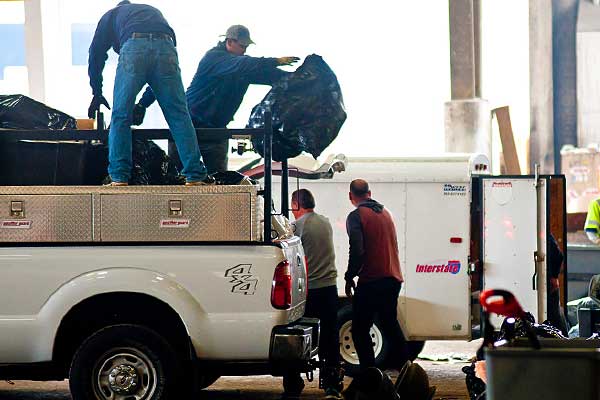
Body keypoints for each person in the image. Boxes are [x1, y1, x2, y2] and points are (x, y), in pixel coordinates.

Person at [133, 24, 299, 174]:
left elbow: (268, 75)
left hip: (217, 131)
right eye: (242, 46)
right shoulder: (214, 58)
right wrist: (274, 61)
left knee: (219, 180)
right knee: (178, 179)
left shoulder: (243, 67)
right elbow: (244, 64)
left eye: (246, 47)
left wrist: (299, 78)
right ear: (229, 42)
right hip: (189, 127)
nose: (244, 50)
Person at [87, 0, 211, 186]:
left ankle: (119, 177)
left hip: (135, 46)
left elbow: (95, 54)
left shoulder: (110, 16)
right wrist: (143, 104)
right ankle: (195, 175)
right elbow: (158, 80)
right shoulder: (151, 11)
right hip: (167, 47)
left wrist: (97, 92)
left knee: (121, 115)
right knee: (179, 115)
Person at [283, 189, 343, 400]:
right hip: (330, 287)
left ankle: (293, 383)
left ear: (296, 205)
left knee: (296, 336)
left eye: (292, 204)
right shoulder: (325, 222)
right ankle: (332, 384)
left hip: (310, 291)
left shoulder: (298, 227)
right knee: (330, 336)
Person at [344, 179, 407, 375]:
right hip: (393, 279)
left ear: (351, 196)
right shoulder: (386, 213)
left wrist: (349, 275)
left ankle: (369, 373)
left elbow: (357, 249)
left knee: (360, 329)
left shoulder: (356, 216)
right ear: (369, 193)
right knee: (390, 324)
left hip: (372, 280)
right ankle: (406, 367)